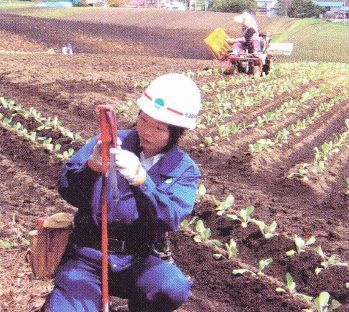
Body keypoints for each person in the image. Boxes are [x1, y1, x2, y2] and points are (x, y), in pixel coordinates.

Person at [44, 73, 202, 312]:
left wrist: (143, 182)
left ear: (177, 132)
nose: (146, 131)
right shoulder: (109, 142)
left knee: (171, 287)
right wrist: (91, 168)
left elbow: (170, 218)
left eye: (159, 127)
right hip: (87, 256)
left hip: (137, 261)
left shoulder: (184, 169)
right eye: (144, 120)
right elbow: (68, 190)